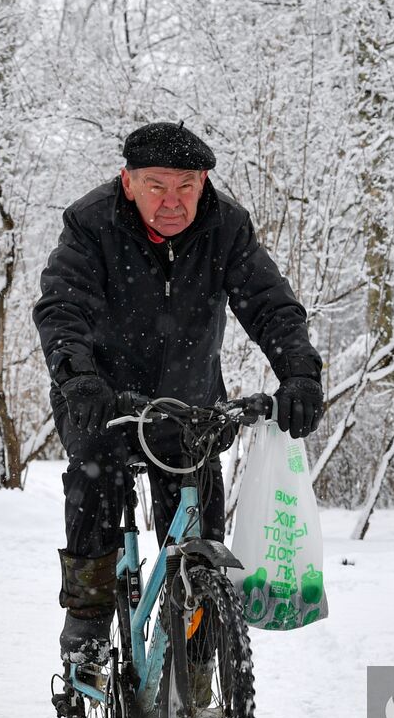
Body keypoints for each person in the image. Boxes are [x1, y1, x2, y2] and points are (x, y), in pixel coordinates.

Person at [33, 121, 324, 666]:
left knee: (199, 539)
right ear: (128, 182)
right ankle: (89, 616)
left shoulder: (226, 227)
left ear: (204, 183)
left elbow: (271, 305)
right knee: (97, 477)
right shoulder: (91, 223)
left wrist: (300, 373)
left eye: (186, 186)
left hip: (187, 403)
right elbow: (62, 306)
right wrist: (79, 377)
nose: (173, 201)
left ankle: (194, 684)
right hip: (103, 399)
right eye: (157, 186)